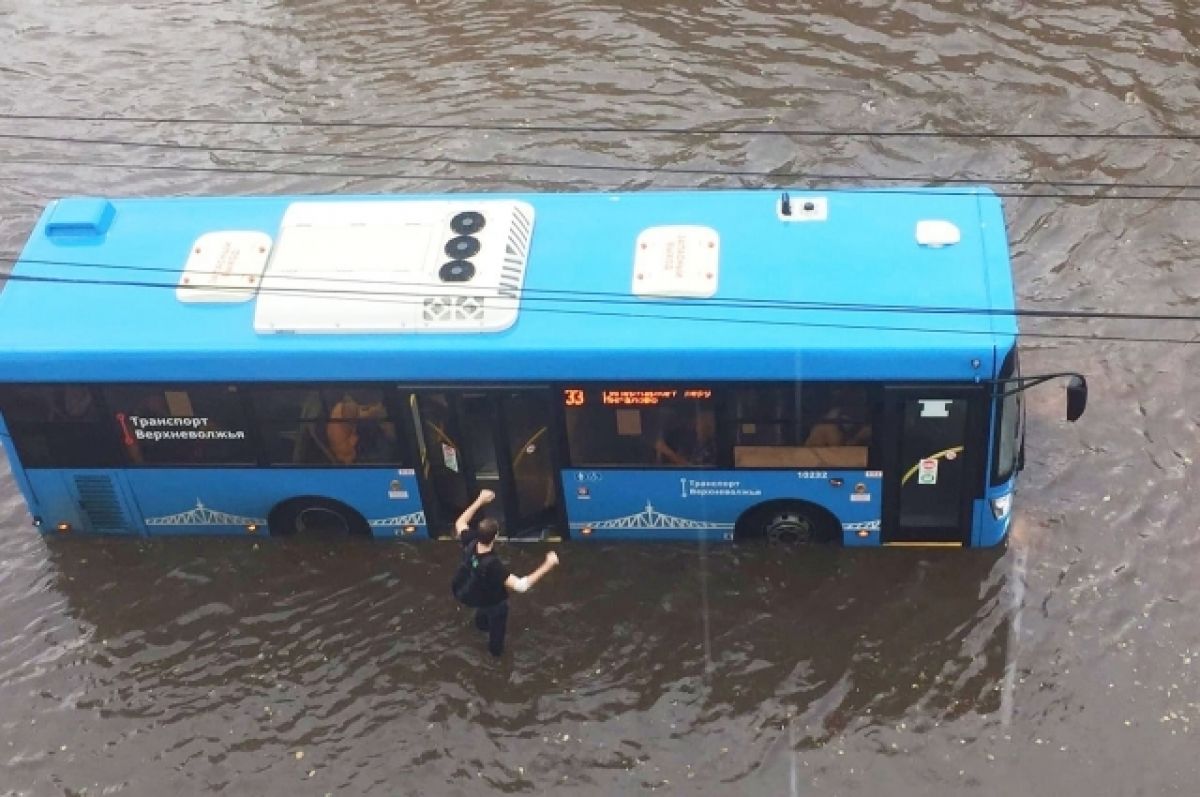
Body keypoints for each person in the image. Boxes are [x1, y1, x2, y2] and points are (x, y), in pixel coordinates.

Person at [452, 489, 560, 657]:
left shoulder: (470, 541)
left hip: (477, 595)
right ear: (495, 537)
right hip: (495, 604)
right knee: (496, 639)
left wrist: (479, 500)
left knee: (481, 619)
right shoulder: (493, 565)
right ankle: (495, 658)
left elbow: (460, 522)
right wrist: (547, 565)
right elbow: (521, 586)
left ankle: (480, 628)